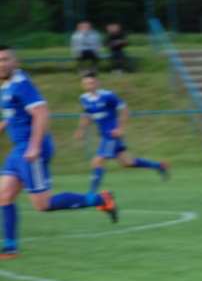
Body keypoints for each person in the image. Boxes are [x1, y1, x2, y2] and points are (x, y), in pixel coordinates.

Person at [0, 48, 117, 260]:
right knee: (4, 195)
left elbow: (41, 112)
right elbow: (17, 114)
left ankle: (100, 199)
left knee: (42, 205)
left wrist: (34, 146)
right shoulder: (6, 86)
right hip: (18, 149)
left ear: (16, 62)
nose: (2, 64)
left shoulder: (21, 84)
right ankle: (9, 248)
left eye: (6, 59)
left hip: (30, 148)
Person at [74, 72, 169, 193]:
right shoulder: (84, 98)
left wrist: (121, 129)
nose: (89, 85)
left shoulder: (108, 96)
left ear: (98, 83)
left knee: (97, 161)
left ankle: (91, 195)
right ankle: (159, 166)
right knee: (127, 162)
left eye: (91, 82)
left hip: (112, 134)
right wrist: (81, 129)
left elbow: (125, 110)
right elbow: (87, 115)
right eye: (86, 83)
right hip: (105, 134)